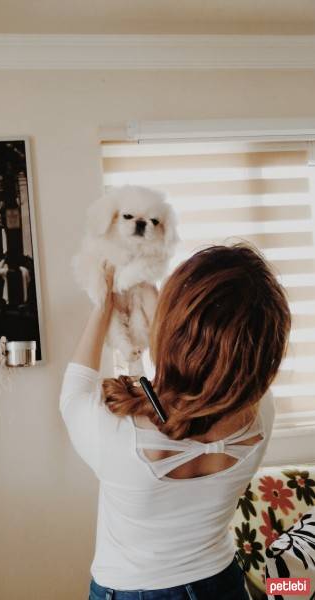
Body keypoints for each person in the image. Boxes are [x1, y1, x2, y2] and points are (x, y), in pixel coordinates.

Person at [60, 243, 291, 600]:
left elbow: (73, 393)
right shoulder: (261, 414)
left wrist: (104, 305)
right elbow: (212, 377)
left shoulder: (119, 435)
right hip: (223, 585)